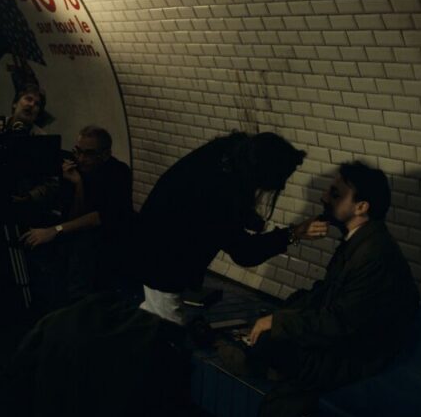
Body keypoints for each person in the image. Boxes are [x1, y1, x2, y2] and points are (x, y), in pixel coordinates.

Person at [236, 161, 420, 417]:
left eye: (335, 194)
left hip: (361, 359)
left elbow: (340, 323)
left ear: (361, 207)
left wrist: (280, 321)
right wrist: (284, 312)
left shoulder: (374, 255)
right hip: (349, 342)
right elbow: (327, 295)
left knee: (273, 345)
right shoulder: (361, 240)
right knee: (271, 334)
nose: (324, 198)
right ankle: (258, 361)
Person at [134, 131, 328, 326]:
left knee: (154, 316)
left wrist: (246, 217)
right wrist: (293, 234)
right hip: (163, 261)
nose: (283, 187)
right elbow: (245, 252)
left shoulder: (228, 154)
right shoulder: (219, 194)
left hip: (152, 243)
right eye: (280, 179)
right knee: (167, 327)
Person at [22, 125, 134, 305]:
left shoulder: (118, 172)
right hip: (84, 237)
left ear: (105, 154)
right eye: (78, 151)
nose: (81, 159)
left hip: (111, 238)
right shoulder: (75, 171)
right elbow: (74, 216)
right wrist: (78, 184)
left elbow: (99, 217)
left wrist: (54, 230)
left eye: (88, 154)